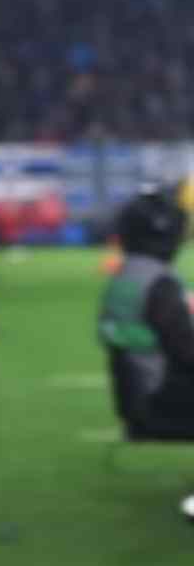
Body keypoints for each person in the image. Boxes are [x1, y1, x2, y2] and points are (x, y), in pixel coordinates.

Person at [99, 188, 194, 439]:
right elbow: (186, 351)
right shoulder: (158, 283)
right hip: (164, 404)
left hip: (136, 402)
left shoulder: (127, 277)